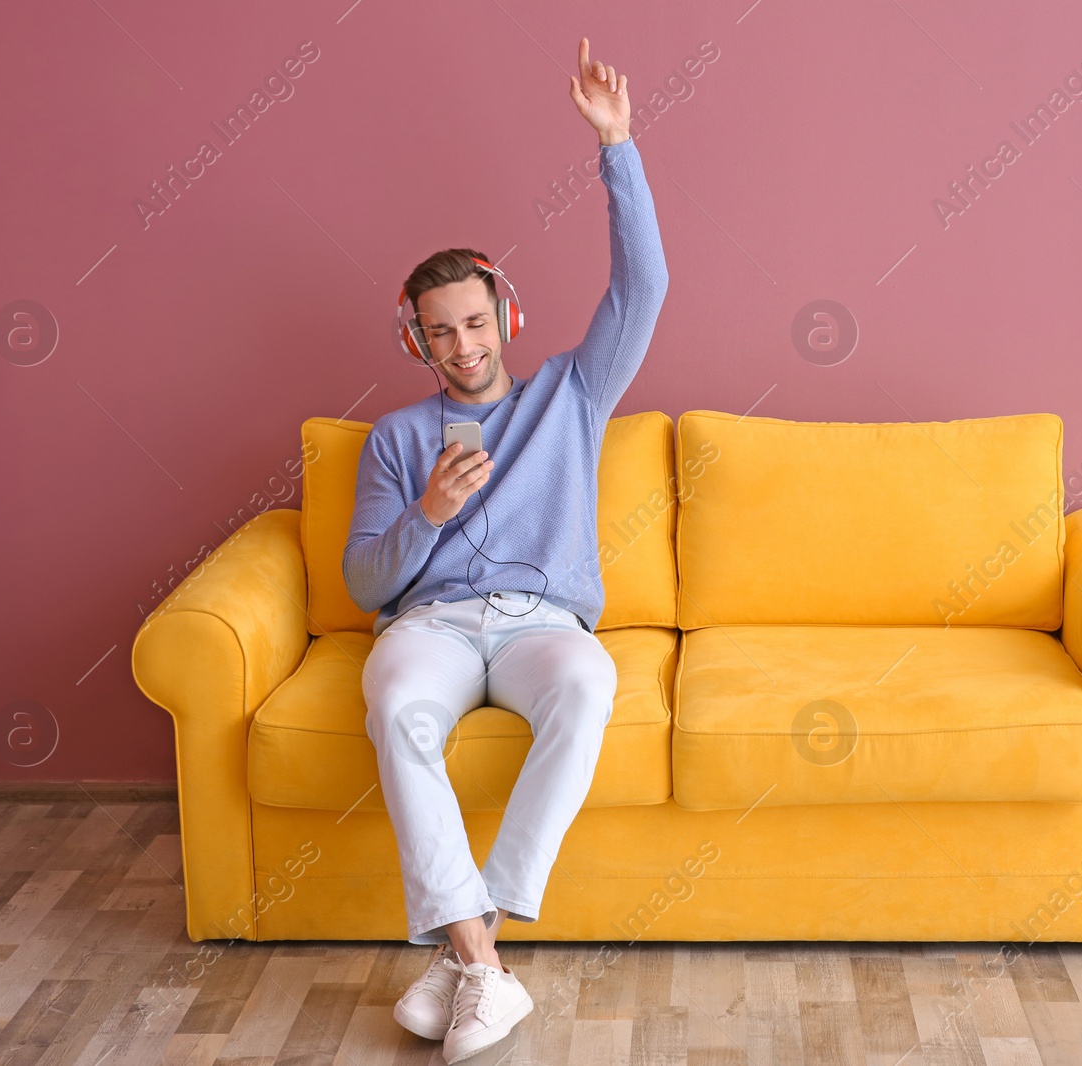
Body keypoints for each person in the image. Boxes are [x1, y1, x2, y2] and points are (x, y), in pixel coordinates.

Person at [342, 36, 669, 1063]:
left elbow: (643, 287)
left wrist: (615, 145)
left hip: (540, 625)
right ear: (417, 343)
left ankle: (472, 942)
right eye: (440, 334)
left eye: (476, 323)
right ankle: (482, 965)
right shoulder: (395, 439)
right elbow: (364, 582)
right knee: (394, 703)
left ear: (505, 316)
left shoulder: (571, 394)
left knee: (587, 683)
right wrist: (428, 512)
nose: (464, 346)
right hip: (431, 623)